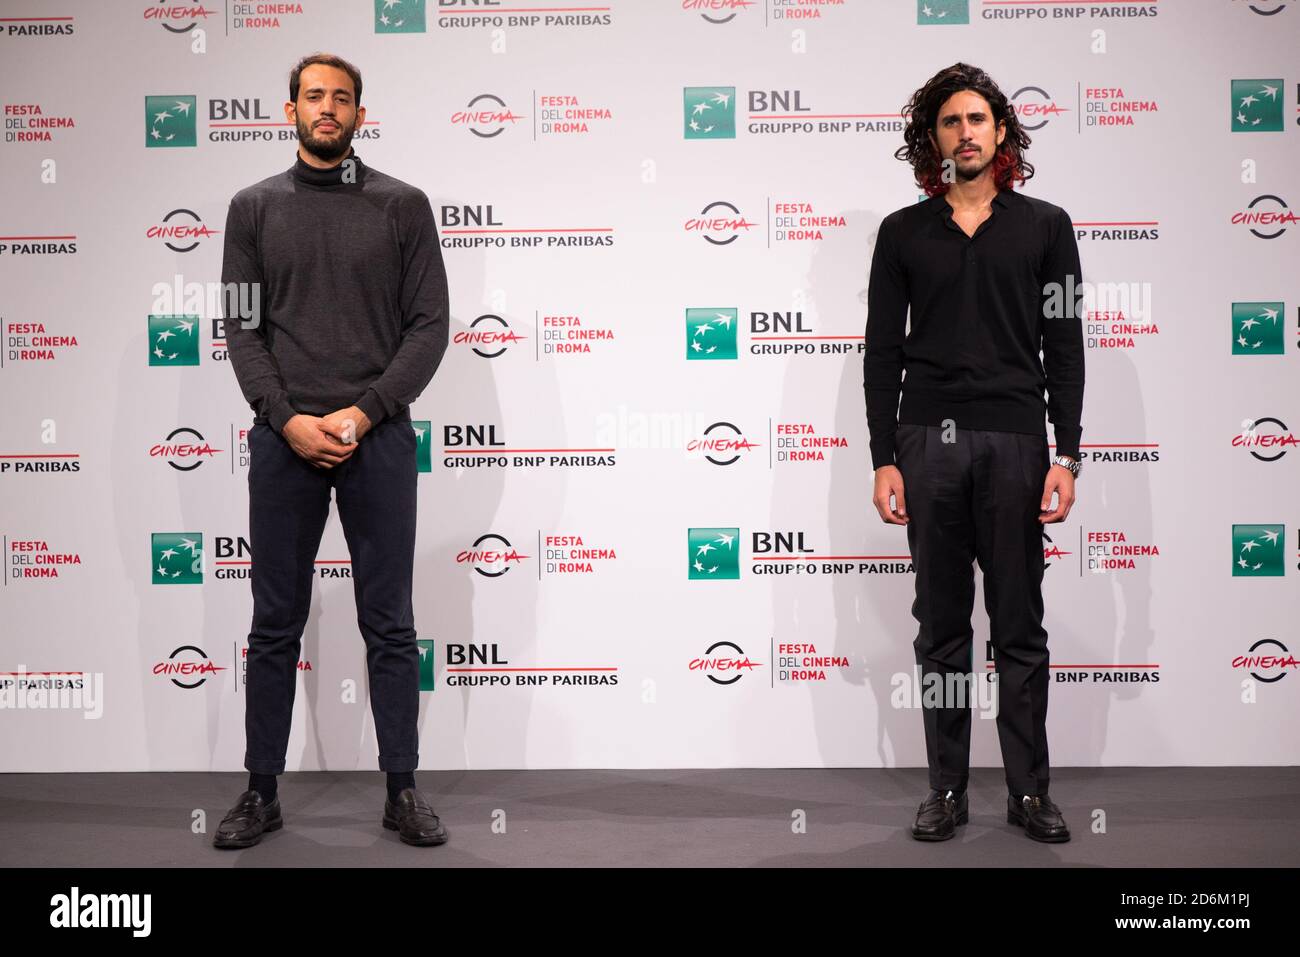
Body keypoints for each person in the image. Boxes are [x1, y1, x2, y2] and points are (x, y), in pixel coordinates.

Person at [214, 52, 450, 848]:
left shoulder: (402, 206)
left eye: (340, 98)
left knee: (389, 623)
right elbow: (242, 331)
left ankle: (403, 790)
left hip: (378, 440)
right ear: (290, 111)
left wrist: (365, 411)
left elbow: (429, 328)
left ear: (359, 113)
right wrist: (286, 419)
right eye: (313, 96)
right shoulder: (252, 209)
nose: (327, 108)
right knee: (273, 624)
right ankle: (260, 792)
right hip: (284, 443)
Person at [864, 63, 1085, 843]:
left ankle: (1030, 793)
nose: (966, 133)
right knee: (942, 626)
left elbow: (1065, 345)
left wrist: (1070, 454)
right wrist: (883, 456)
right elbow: (881, 350)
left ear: (1002, 134)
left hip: (1018, 441)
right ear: (934, 138)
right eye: (951, 122)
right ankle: (947, 791)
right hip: (928, 444)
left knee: (1020, 623)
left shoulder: (1046, 227)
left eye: (978, 120)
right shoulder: (901, 232)